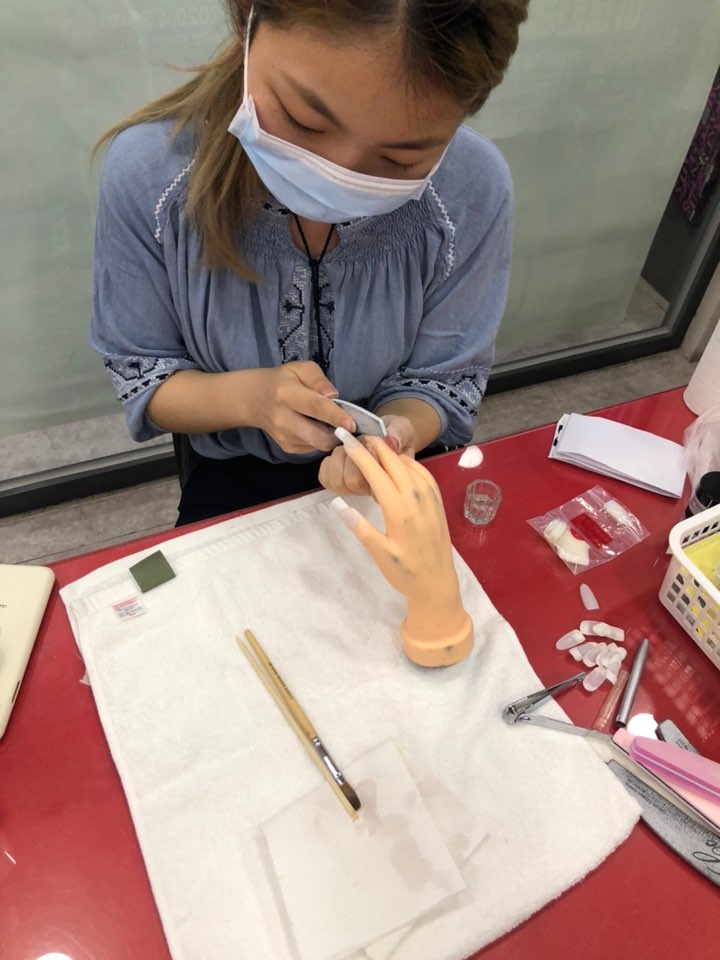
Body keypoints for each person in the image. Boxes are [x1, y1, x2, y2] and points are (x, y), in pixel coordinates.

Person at [91, 0, 529, 525]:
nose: (337, 173)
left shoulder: (469, 191)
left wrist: (396, 432)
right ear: (247, 17)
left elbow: (444, 378)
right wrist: (252, 399)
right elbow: (146, 374)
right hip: (237, 480)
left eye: (400, 160)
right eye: (303, 121)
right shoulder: (151, 176)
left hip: (397, 472)